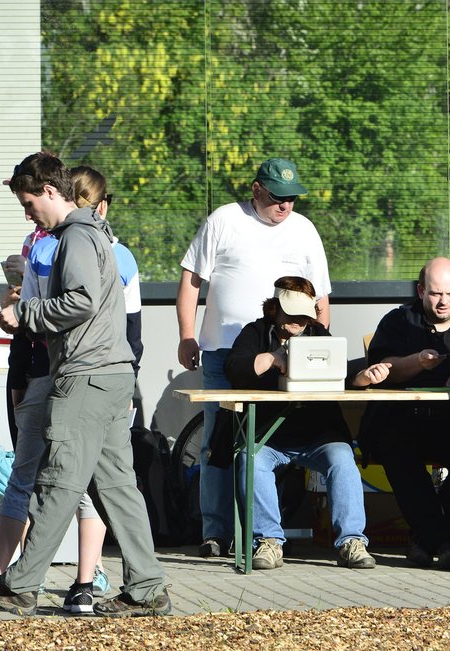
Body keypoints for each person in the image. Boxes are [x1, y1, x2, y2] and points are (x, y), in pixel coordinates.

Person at [0, 152, 169, 617]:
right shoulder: (96, 236)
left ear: (52, 192)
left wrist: (26, 314)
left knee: (57, 481)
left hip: (86, 375)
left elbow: (81, 300)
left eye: (29, 201)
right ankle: (148, 587)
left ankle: (19, 587)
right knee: (118, 485)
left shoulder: (75, 237)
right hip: (115, 374)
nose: (27, 212)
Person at [176, 158, 331, 558]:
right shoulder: (225, 219)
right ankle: (216, 533)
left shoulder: (304, 229)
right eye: (277, 197)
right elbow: (192, 280)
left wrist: (318, 346)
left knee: (273, 440)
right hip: (224, 350)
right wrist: (187, 336)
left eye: (292, 199)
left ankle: (265, 535)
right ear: (256, 189)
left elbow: (321, 299)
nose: (285, 206)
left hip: (288, 351)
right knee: (217, 441)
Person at [222, 276, 390, 569]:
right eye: (293, 313)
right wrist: (273, 358)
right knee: (251, 460)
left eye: (305, 314)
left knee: (342, 459)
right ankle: (268, 542)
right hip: (268, 435)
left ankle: (352, 540)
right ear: (274, 308)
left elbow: (341, 374)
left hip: (318, 435)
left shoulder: (318, 333)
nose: (301, 320)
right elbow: (235, 369)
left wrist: (361, 379)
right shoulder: (255, 332)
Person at [357, 257, 450, 570]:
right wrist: (417, 361)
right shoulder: (398, 321)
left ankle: (426, 538)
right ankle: (444, 540)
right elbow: (380, 371)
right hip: (402, 421)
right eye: (434, 293)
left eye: (449, 293)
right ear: (420, 291)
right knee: (395, 450)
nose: (443, 301)